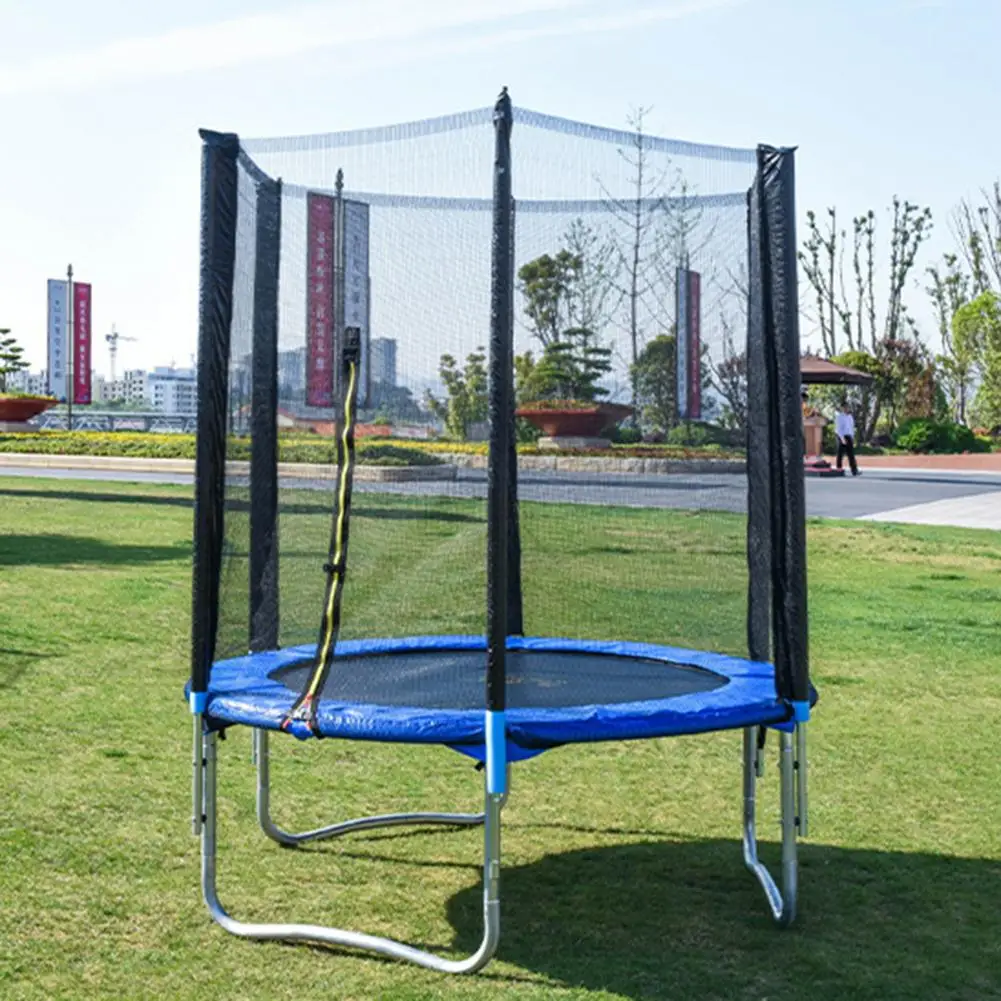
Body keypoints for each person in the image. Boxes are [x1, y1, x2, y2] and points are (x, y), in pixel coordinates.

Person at [835, 400, 860, 476]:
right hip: (841, 436)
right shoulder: (839, 417)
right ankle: (839, 469)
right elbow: (838, 429)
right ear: (842, 408)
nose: (846, 409)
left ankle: (854, 470)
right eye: (844, 407)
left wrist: (852, 437)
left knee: (851, 454)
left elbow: (851, 428)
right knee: (840, 454)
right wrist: (842, 439)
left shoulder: (850, 417)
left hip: (849, 436)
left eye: (847, 407)